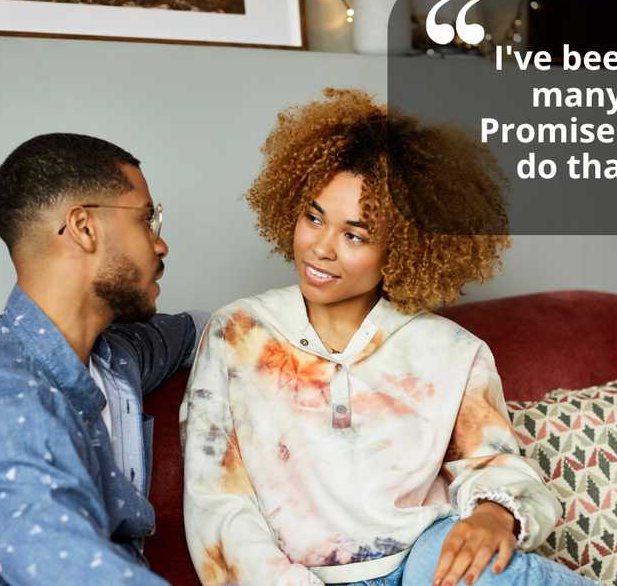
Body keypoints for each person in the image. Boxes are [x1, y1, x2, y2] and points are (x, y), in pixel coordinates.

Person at [180, 89, 595, 586]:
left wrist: (492, 514)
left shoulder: (453, 351)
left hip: (424, 561)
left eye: (355, 235)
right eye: (313, 217)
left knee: (477, 568)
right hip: (291, 578)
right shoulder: (238, 333)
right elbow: (218, 503)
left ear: (401, 251)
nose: (321, 248)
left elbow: (496, 465)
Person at [0, 133, 206, 585]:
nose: (160, 243)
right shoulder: (2, 399)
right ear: (84, 227)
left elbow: (203, 330)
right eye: (147, 220)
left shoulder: (116, 358)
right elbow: (70, 572)